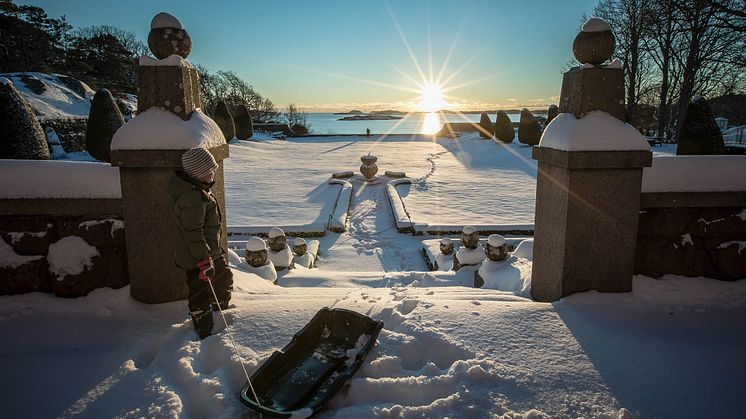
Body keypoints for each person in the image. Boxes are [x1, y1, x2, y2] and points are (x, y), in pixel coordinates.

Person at [168, 147, 233, 339]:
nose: (213, 172)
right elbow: (193, 232)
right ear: (197, 174)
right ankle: (203, 324)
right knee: (199, 290)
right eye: (209, 170)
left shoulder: (200, 191)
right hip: (198, 257)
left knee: (223, 278)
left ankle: (220, 310)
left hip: (210, 253)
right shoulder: (192, 198)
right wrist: (203, 259)